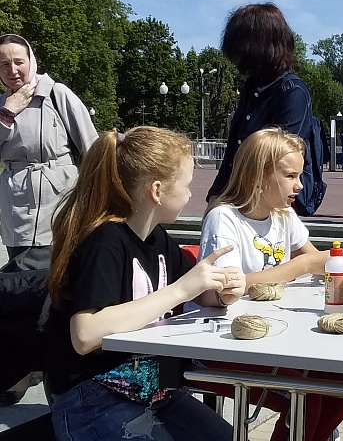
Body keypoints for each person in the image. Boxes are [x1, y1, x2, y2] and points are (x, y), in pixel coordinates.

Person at [45, 126, 244, 441]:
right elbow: (85, 334)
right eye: (187, 185)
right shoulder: (105, 241)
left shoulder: (156, 238)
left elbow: (199, 291)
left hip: (153, 390)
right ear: (157, 191)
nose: (192, 194)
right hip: (93, 397)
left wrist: (221, 289)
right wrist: (181, 290)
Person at [199, 127, 343, 441]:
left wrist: (333, 263)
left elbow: (317, 262)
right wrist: (299, 266)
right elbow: (227, 289)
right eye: (290, 175)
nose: (299, 185)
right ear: (259, 175)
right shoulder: (224, 219)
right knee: (306, 396)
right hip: (225, 344)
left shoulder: (284, 215)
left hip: (275, 339)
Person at [207, 3, 324, 216]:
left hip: (270, 205)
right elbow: (234, 151)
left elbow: (279, 160)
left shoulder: (292, 91)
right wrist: (215, 196)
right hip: (242, 200)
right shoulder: (252, 87)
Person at [0, 34, 98, 271]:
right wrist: (8, 112)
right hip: (14, 204)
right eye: (4, 64)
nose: (12, 70)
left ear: (31, 61)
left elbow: (92, 148)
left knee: (50, 269)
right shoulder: (3, 103)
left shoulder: (56, 94)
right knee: (21, 269)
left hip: (56, 201)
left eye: (18, 62)